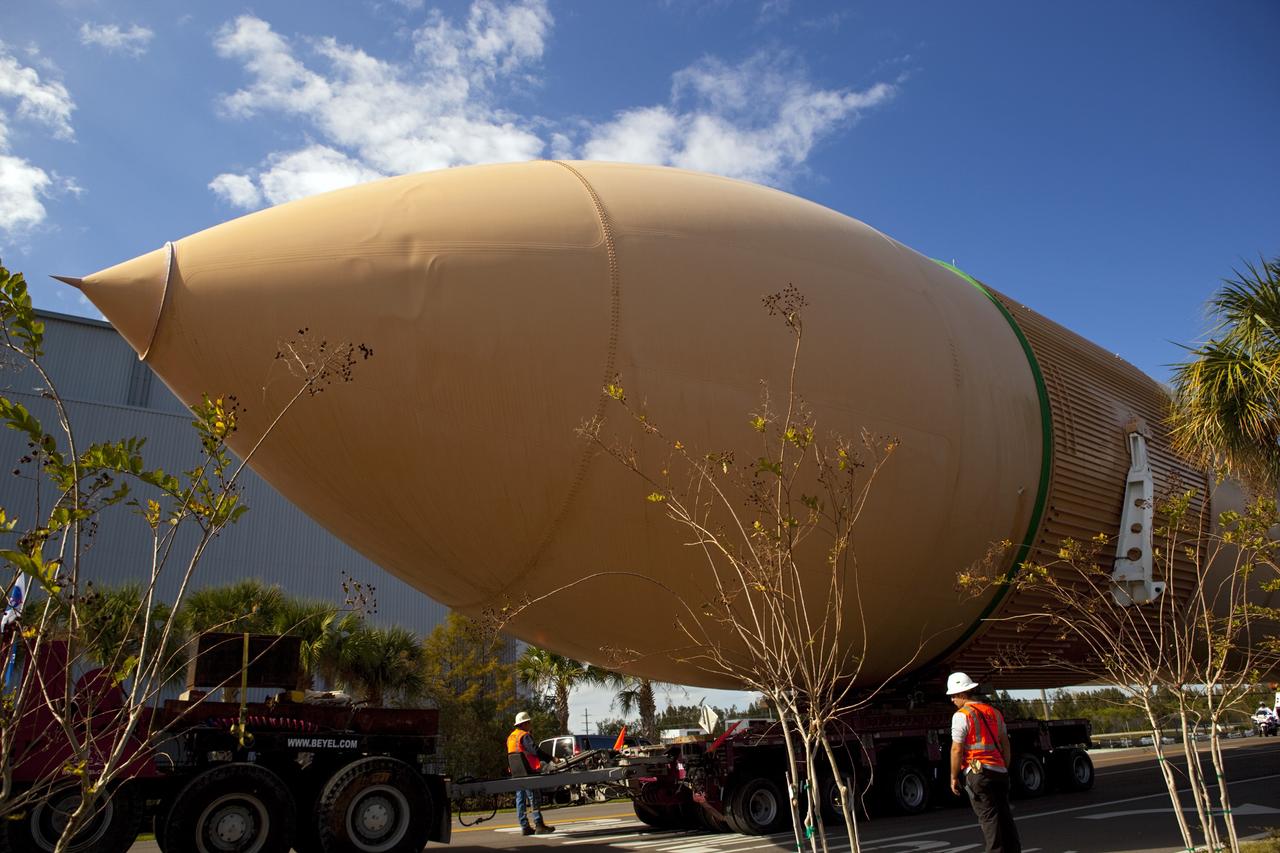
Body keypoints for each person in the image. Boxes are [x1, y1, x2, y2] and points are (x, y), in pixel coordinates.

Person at [948, 672, 1021, 853]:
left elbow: (956, 749)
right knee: (1005, 817)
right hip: (999, 772)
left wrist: (953, 776)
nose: (952, 700)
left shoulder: (961, 715)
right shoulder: (995, 712)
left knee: (989, 819)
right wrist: (1003, 767)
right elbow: (1006, 744)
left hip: (978, 773)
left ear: (963, 694)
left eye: (954, 695)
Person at [507, 711, 555, 836]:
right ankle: (539, 825)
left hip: (516, 772)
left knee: (520, 799)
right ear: (524, 724)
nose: (530, 725)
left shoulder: (511, 736)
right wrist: (551, 758)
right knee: (534, 797)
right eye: (529, 722)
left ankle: (525, 826)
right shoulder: (524, 735)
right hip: (528, 771)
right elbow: (535, 750)